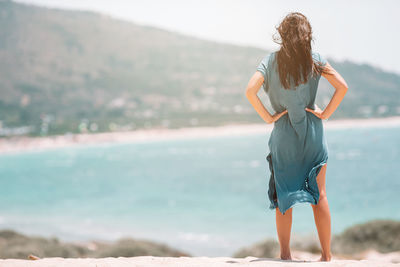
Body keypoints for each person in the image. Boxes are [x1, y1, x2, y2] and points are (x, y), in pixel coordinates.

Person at [245, 12, 348, 262]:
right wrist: (324, 114)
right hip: (313, 134)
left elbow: (250, 91)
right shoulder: (315, 60)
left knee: (284, 195)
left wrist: (269, 117)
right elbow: (342, 87)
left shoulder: (270, 61)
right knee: (319, 195)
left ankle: (285, 254)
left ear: (282, 34)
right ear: (307, 35)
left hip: (283, 136)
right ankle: (326, 256)